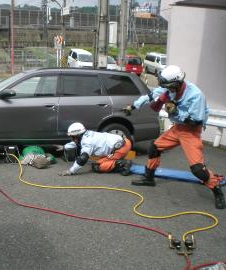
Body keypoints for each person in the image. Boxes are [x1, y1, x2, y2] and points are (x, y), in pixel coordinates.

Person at [123, 65, 225, 209]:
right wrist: (133, 107)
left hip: (190, 131)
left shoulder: (195, 95)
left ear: (176, 84)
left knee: (197, 170)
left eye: (168, 87)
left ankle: (217, 190)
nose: (166, 89)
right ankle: (149, 178)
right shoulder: (169, 88)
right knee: (154, 147)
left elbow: (196, 120)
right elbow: (151, 96)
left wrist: (176, 111)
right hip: (177, 128)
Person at [58, 122, 132, 176]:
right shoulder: (87, 134)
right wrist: (64, 147)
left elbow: (83, 158)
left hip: (120, 149)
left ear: (77, 136)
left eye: (73, 137)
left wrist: (70, 171)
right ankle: (117, 161)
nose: (72, 139)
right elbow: (77, 143)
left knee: (97, 166)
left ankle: (123, 164)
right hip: (124, 142)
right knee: (99, 160)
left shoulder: (87, 142)